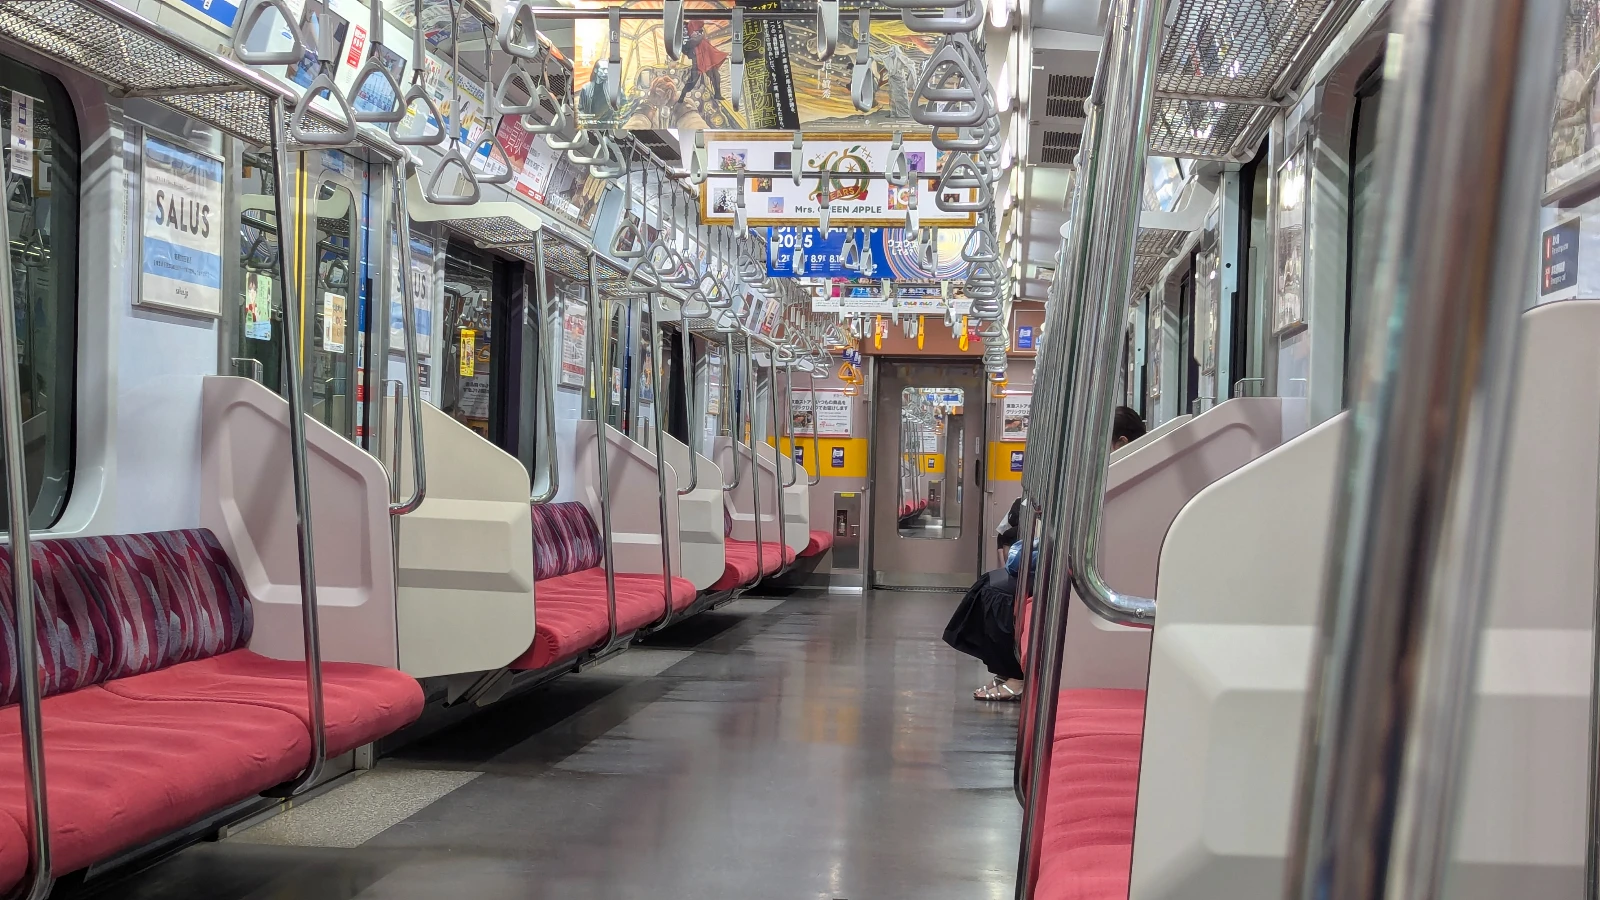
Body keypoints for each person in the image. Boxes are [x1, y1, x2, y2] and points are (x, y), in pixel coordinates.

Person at [943, 406, 1148, 702]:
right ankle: (1008, 671)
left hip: (1094, 571)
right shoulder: (1110, 479)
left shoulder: (1127, 482)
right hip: (1078, 561)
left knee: (1000, 593)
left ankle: (1017, 677)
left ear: (1122, 443)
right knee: (990, 584)